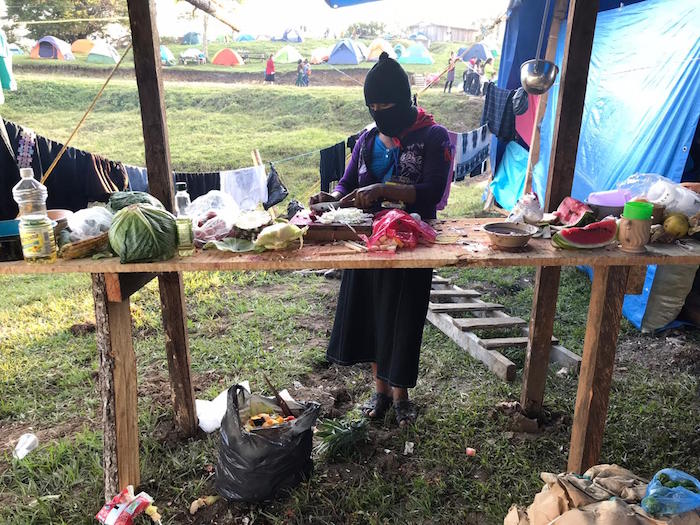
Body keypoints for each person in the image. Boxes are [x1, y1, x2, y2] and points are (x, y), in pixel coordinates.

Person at [309, 52, 452, 427]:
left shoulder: (433, 137)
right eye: (371, 107)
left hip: (410, 242)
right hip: (367, 242)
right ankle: (380, 392)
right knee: (372, 315)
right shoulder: (367, 139)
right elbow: (347, 185)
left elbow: (433, 191)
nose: (378, 114)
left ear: (403, 102)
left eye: (384, 107)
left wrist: (385, 189)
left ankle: (401, 395)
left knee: (403, 316)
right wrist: (330, 197)